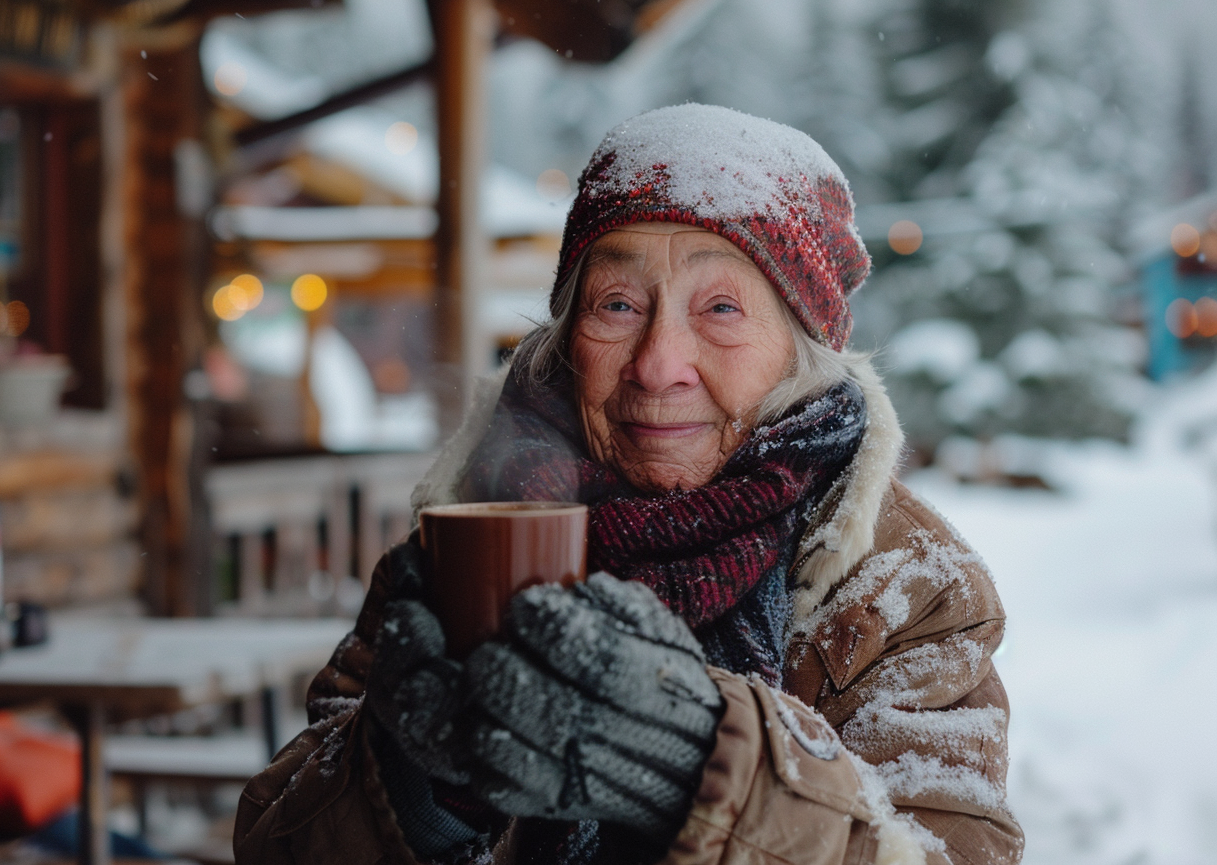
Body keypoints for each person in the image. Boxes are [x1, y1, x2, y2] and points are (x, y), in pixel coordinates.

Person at [234, 104, 1023, 865]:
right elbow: (277, 840)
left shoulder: (904, 587)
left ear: (800, 353)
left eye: (720, 307)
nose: (656, 365)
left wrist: (704, 767)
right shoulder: (476, 546)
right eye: (617, 304)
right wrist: (416, 787)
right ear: (569, 338)